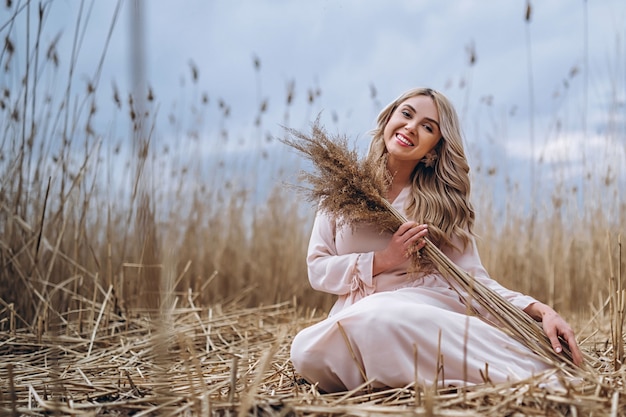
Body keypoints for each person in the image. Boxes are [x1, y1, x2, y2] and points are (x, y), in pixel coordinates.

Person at [289, 87, 583, 393]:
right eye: (406, 114)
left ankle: (518, 373)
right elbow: (317, 269)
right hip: (356, 314)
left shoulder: (442, 206)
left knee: (383, 315)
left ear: (433, 149)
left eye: (428, 127)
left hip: (419, 308)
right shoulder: (342, 190)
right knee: (306, 351)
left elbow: (473, 282)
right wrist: (383, 259)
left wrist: (541, 311)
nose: (411, 127)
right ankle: (408, 371)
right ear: (388, 118)